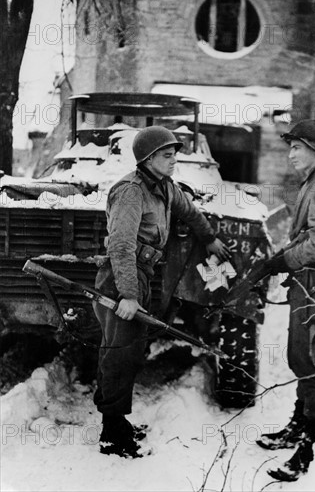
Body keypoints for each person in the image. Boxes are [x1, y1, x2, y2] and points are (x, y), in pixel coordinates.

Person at [93, 125, 230, 459]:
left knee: (131, 350)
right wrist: (127, 294)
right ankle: (111, 434)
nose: (173, 162)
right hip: (119, 279)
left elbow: (189, 212)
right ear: (149, 158)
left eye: (174, 156)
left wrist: (209, 237)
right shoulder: (130, 191)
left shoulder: (165, 188)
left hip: (139, 276)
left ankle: (118, 423)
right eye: (167, 156)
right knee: (119, 353)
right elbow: (122, 246)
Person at [255, 119, 315, 481]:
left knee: (311, 360)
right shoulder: (314, 182)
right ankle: (299, 424)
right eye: (291, 146)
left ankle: (307, 448)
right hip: (311, 282)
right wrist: (283, 257)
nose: (291, 153)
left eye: (297, 147)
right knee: (301, 354)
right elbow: (310, 235)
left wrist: (285, 260)